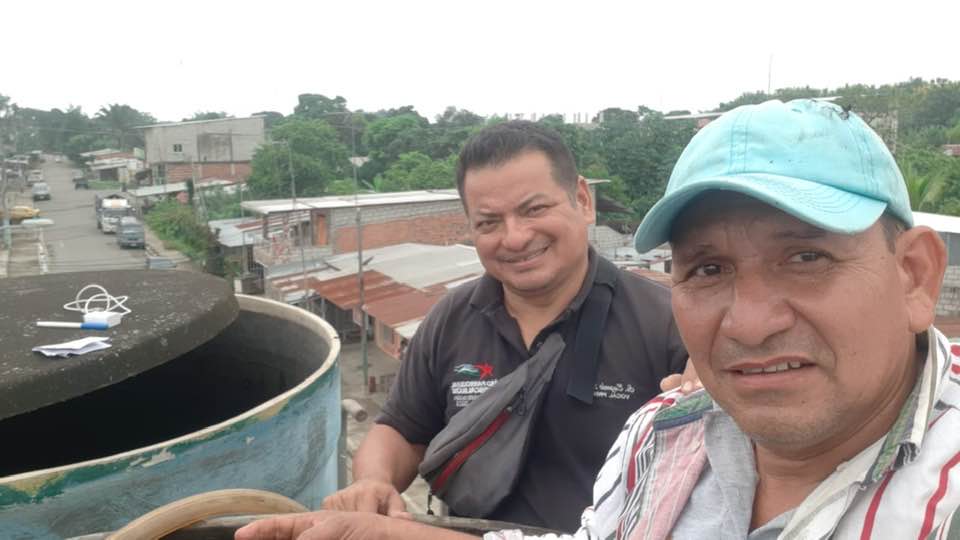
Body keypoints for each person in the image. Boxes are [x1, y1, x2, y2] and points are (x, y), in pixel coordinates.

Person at [236, 100, 960, 540]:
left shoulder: (662, 326)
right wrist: (376, 504)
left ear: (915, 275)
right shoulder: (662, 437)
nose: (748, 325)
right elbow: (402, 424)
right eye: (709, 269)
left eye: (806, 257)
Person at [320, 120, 688, 532]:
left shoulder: (666, 323)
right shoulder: (451, 319)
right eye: (488, 223)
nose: (514, 238)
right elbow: (402, 430)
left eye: (534, 210)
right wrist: (373, 481)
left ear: (583, 200)